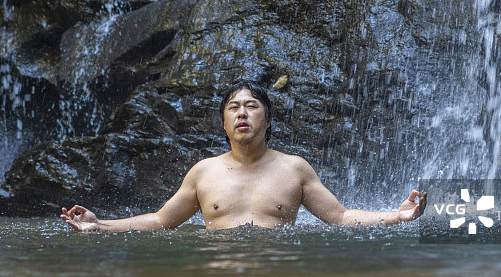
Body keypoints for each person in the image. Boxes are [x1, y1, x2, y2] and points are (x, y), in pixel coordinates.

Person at [61, 80, 426, 231]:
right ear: (223, 123)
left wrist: (398, 216)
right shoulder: (203, 172)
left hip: (276, 272)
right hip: (218, 274)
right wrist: (101, 225)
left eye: (251, 106)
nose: (242, 113)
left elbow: (341, 216)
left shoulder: (295, 169)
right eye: (233, 108)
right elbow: (160, 221)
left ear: (267, 120)